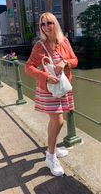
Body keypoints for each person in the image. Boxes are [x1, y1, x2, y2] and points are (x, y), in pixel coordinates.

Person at [25, 12, 78, 176]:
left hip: (62, 88)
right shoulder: (39, 46)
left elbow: (75, 60)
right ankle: (51, 157)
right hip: (48, 90)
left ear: (55, 24)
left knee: (55, 122)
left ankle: (52, 148)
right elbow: (28, 67)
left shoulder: (64, 41)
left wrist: (65, 62)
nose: (46, 27)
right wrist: (46, 76)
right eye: (42, 24)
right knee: (59, 122)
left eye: (49, 23)